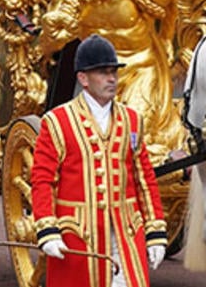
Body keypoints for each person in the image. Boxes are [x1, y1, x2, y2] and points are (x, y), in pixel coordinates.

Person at [30, 35, 167, 287]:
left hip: (126, 235)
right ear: (83, 78)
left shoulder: (132, 120)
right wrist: (47, 229)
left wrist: (155, 231)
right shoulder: (57, 121)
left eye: (113, 72)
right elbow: (42, 180)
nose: (112, 79)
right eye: (103, 73)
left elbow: (144, 178)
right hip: (79, 237)